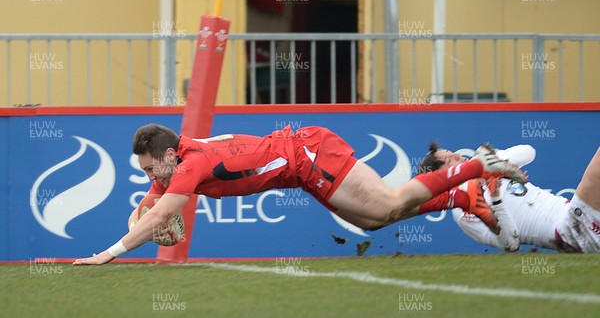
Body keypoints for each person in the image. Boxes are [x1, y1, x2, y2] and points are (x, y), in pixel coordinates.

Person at [73, 124, 527, 265]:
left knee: (388, 203)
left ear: (169, 155)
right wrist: (139, 215)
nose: (152, 176)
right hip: (301, 167)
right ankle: (466, 198)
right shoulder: (175, 160)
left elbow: (162, 213)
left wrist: (109, 252)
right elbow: (151, 205)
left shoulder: (190, 165)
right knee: (372, 221)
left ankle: (479, 166)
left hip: (309, 155)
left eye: (153, 168)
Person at [418, 143, 600, 253]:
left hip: (575, 217)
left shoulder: (486, 163)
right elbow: (510, 244)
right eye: (450, 160)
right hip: (570, 231)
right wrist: (496, 199)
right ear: (441, 179)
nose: (458, 155)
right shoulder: (462, 210)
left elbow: (529, 151)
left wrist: (498, 164)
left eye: (451, 153)